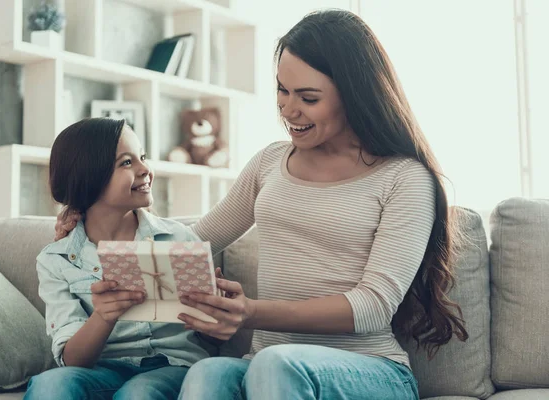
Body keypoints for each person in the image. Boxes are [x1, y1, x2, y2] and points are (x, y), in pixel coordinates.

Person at [56, 9, 469, 400]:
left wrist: (251, 312)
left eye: (308, 97)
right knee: (207, 372)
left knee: (276, 363)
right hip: (264, 365)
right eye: (282, 90)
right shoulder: (271, 161)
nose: (289, 110)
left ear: (355, 94)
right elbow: (192, 239)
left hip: (371, 369)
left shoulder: (405, 179)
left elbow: (372, 307)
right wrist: (89, 216)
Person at [24, 118, 216, 400]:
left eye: (142, 157)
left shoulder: (178, 239)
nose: (145, 169)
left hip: (172, 367)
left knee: (138, 393)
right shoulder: (57, 260)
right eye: (127, 163)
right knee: (50, 384)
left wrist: (211, 307)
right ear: (89, 176)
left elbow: (212, 339)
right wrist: (104, 316)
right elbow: (73, 360)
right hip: (102, 371)